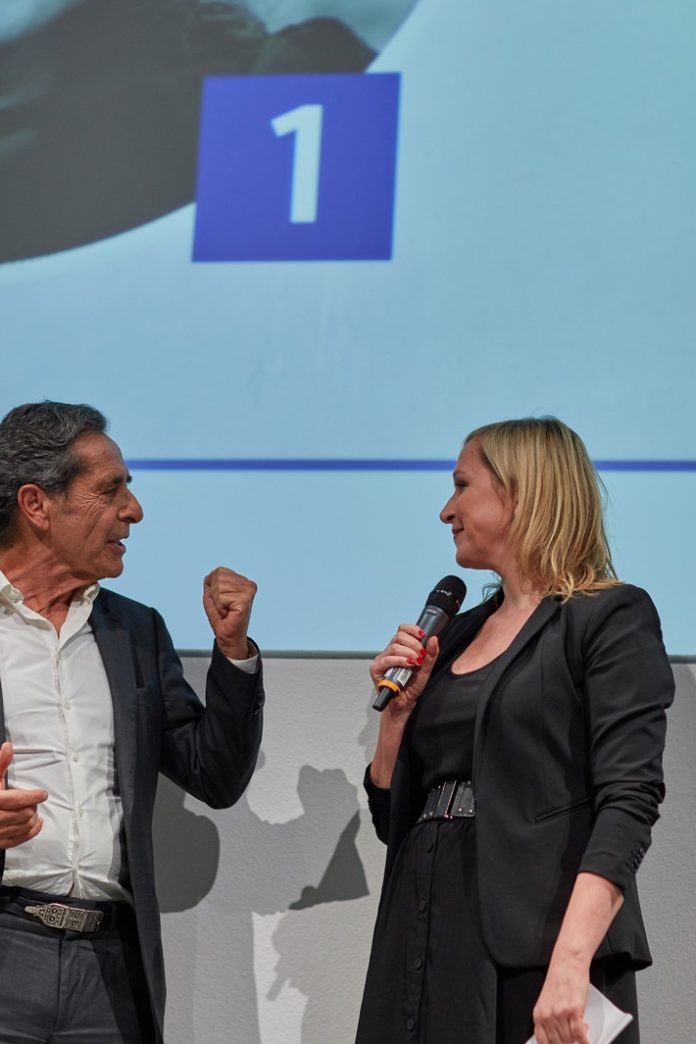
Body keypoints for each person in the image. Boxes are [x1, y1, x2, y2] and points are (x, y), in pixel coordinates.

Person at [357, 417, 673, 1044]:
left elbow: (630, 800)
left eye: (461, 486)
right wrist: (396, 719)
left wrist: (572, 961)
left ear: (521, 491)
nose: (446, 510)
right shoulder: (456, 633)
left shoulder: (608, 616)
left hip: (536, 945)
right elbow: (393, 817)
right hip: (423, 932)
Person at [0, 401, 263, 1044]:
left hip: (112, 966)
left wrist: (233, 652)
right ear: (37, 504)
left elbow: (214, 774)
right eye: (111, 488)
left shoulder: (135, 630)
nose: (134, 510)